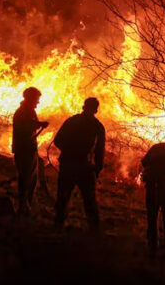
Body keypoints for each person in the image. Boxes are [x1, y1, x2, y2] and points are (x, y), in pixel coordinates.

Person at [52, 97, 106, 232]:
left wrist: (68, 151)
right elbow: (100, 150)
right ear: (96, 109)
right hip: (85, 167)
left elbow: (57, 140)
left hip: (68, 164)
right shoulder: (97, 126)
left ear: (84, 106)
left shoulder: (72, 121)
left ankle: (58, 225)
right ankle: (94, 231)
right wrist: (98, 168)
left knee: (63, 197)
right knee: (89, 200)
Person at [12, 87, 49, 215]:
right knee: (25, 178)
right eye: (36, 99)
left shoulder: (28, 111)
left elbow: (30, 123)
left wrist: (39, 123)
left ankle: (28, 204)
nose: (38, 102)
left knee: (31, 179)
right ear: (30, 98)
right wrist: (40, 124)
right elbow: (27, 126)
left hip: (29, 149)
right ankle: (22, 206)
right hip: (24, 150)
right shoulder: (23, 111)